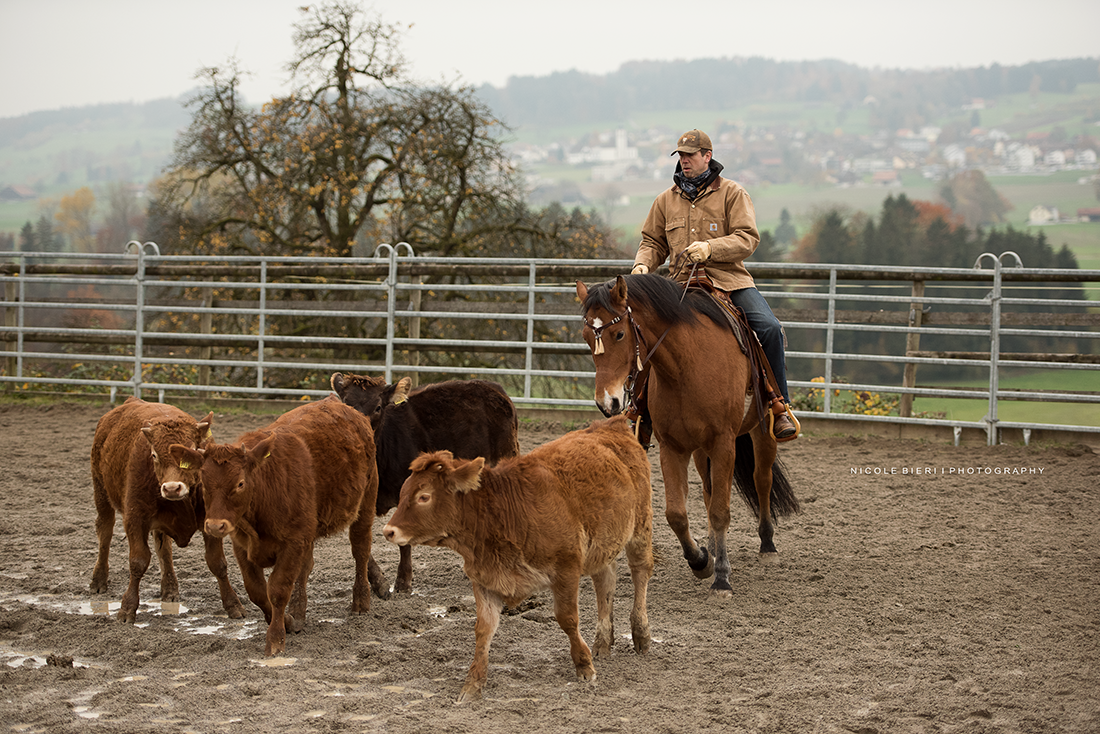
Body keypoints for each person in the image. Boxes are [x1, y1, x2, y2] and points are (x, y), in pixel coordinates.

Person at [631, 128, 797, 440]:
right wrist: (643, 264)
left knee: (769, 327)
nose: (684, 162)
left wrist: (711, 249)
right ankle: (638, 412)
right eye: (680, 156)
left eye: (690, 155)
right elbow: (652, 242)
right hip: (679, 284)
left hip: (729, 280)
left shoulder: (733, 193)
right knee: (643, 331)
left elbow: (747, 238)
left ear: (707, 156)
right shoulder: (665, 200)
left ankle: (779, 405)